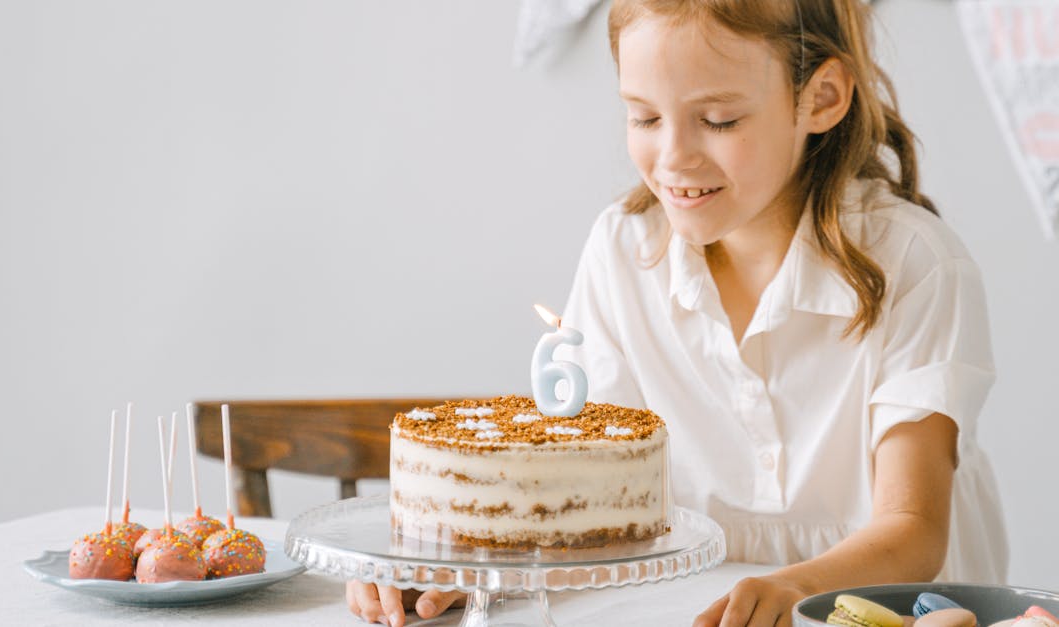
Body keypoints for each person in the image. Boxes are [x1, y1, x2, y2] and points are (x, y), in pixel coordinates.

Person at [347, 0, 1009, 625]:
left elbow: (913, 528)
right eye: (644, 117)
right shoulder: (621, 253)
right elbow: (591, 515)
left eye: (718, 120)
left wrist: (795, 586)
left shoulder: (915, 264)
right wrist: (475, 573)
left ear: (820, 99)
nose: (672, 160)